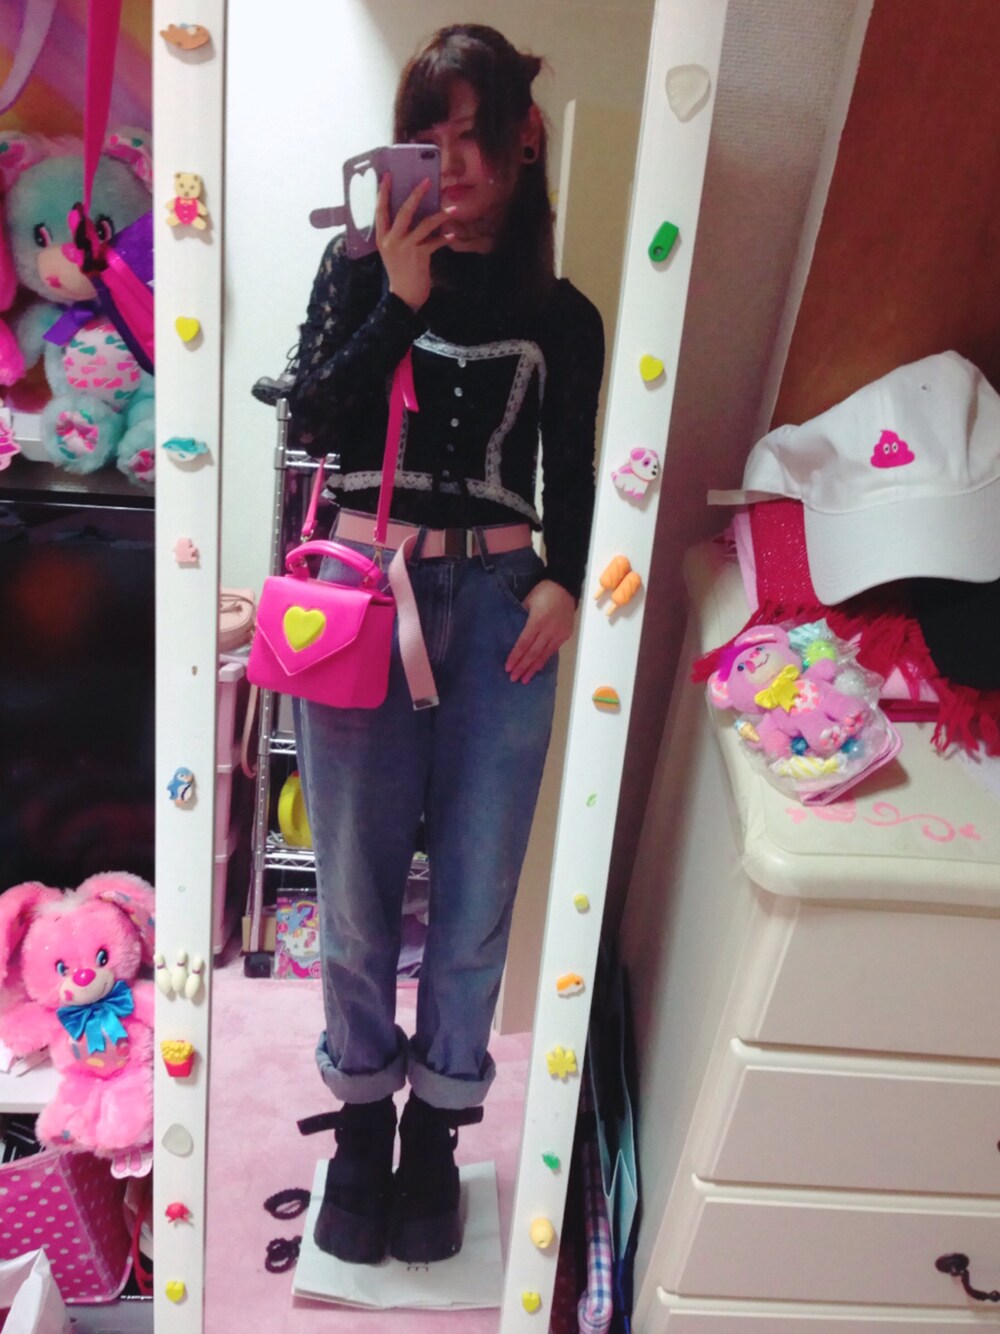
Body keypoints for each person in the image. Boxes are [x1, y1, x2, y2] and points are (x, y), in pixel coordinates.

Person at [287, 23, 604, 1267]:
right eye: (430, 138)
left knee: (474, 898)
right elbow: (317, 416)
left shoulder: (560, 313)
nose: (455, 164)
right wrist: (398, 298)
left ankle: (435, 1134)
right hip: (364, 599)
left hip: (501, 613)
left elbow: (572, 465)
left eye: (475, 135)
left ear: (524, 141)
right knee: (357, 897)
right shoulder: (354, 268)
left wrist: (565, 580)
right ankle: (361, 1126)